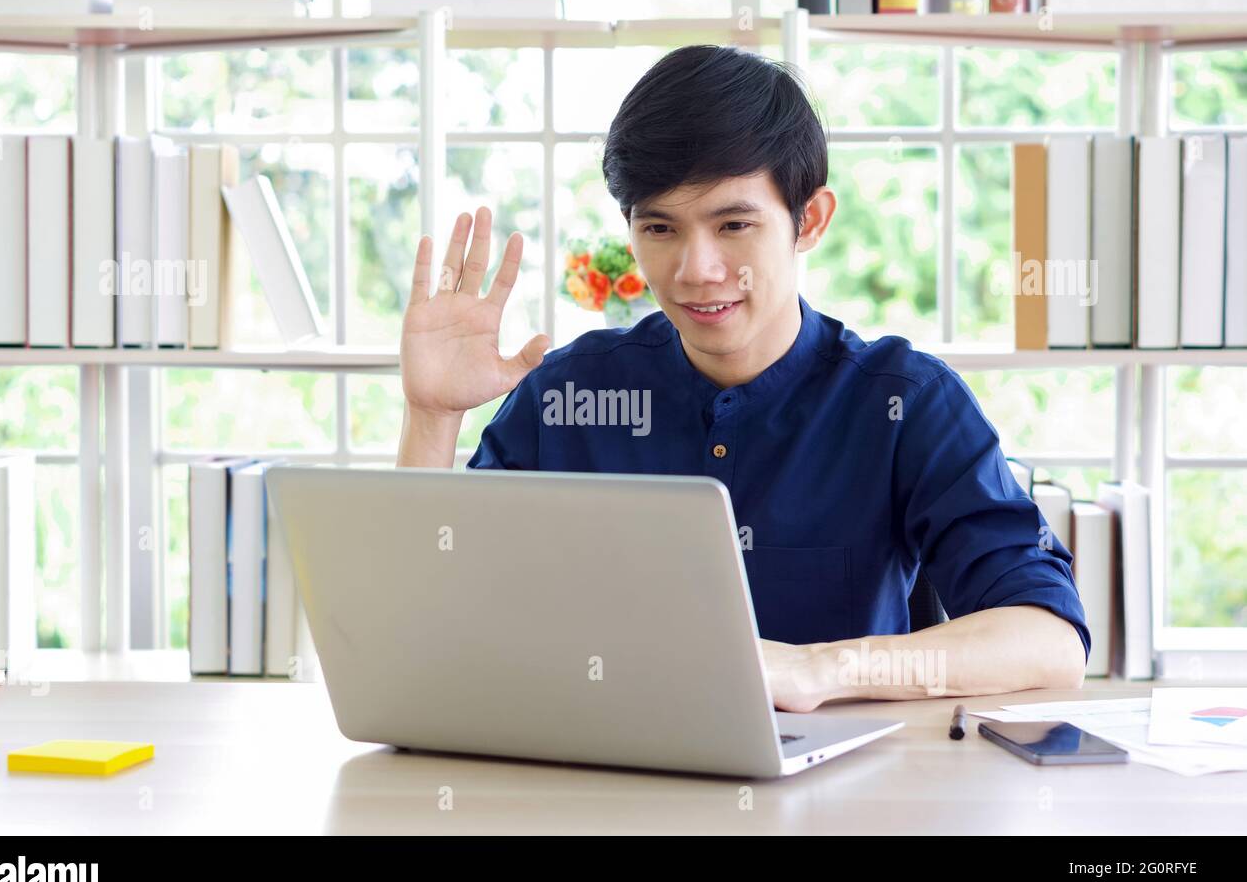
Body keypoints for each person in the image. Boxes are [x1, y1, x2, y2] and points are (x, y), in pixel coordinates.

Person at [397, 44, 1089, 711]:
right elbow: (431, 628)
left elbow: (1048, 639)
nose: (695, 269)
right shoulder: (569, 395)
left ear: (808, 220)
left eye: (733, 224)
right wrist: (431, 418)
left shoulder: (904, 401)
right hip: (603, 786)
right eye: (660, 229)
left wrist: (816, 667)